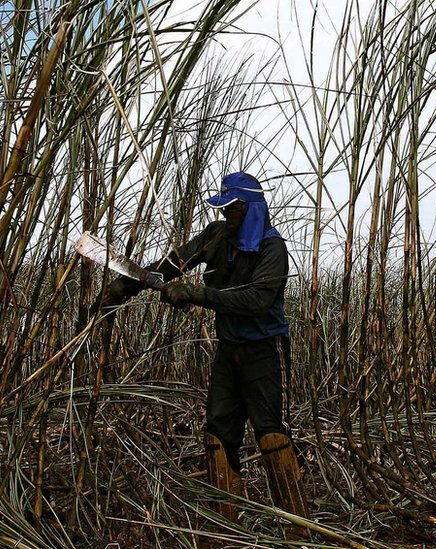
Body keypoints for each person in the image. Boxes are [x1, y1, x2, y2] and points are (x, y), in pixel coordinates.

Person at [96, 172, 309, 527]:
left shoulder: (273, 249)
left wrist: (197, 294)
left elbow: (257, 299)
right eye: (225, 208)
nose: (229, 215)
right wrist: (128, 283)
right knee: (217, 435)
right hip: (229, 350)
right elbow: (172, 264)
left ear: (251, 208)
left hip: (263, 351)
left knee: (271, 434)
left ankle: (300, 526)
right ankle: (226, 526)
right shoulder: (216, 235)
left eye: (235, 208)